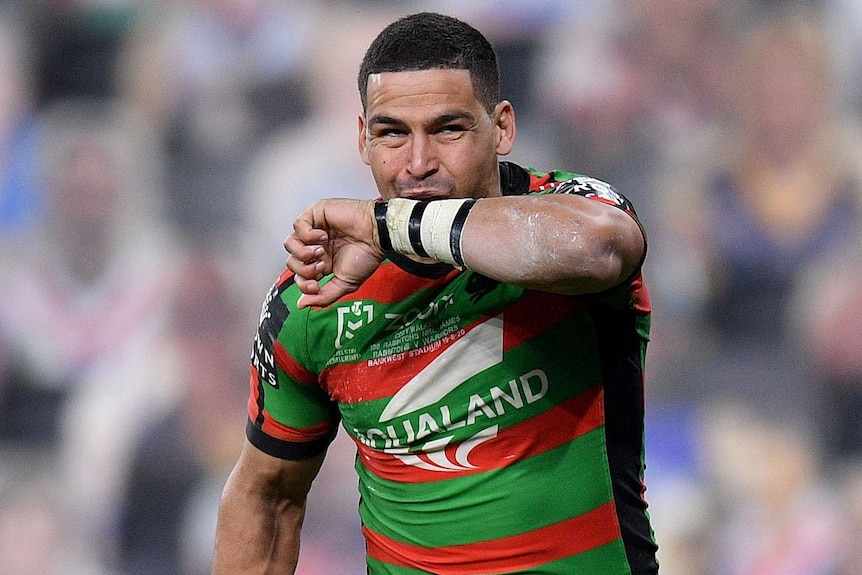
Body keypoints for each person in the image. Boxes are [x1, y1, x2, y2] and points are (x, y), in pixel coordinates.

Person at [213, 12, 658, 575]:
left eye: (448, 128)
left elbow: (599, 250)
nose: (418, 163)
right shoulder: (314, 299)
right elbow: (267, 496)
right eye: (392, 132)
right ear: (361, 138)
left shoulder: (570, 212)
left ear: (502, 128)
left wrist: (391, 225)